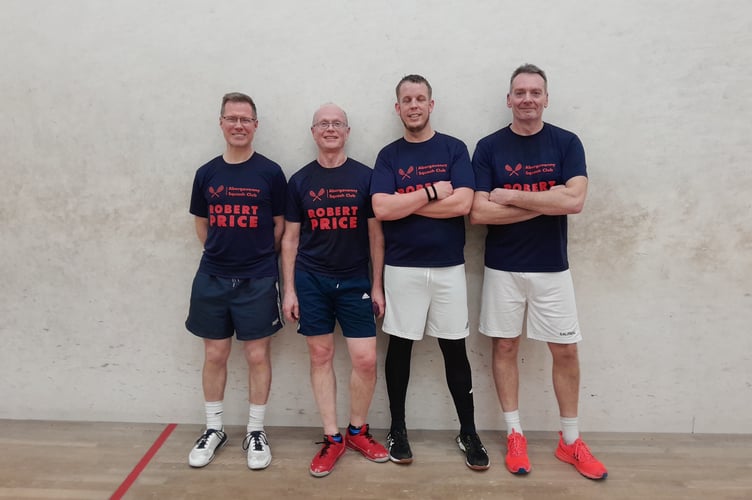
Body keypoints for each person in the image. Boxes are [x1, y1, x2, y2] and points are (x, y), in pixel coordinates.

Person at [469, 64, 608, 480]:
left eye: (535, 92)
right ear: (509, 100)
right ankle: (515, 434)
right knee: (506, 347)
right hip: (503, 268)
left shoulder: (566, 143)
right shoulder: (489, 147)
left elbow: (576, 202)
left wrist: (512, 196)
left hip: (553, 269)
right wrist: (550, 200)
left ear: (546, 98)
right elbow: (478, 212)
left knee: (565, 351)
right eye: (520, 92)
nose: (527, 99)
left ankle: (570, 442)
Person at [370, 75, 490, 471]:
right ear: (398, 107)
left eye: (420, 98)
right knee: (400, 348)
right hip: (401, 269)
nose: (414, 105)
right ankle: (397, 429)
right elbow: (382, 210)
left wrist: (406, 201)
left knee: (454, 348)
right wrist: (433, 192)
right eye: (406, 99)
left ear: (431, 104)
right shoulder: (388, 155)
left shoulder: (454, 148)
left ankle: (468, 431)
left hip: (448, 269)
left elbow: (464, 205)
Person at [281, 103, 389, 477]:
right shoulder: (299, 181)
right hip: (312, 282)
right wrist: (290, 290)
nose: (330, 128)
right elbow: (290, 239)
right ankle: (332, 437)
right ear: (313, 132)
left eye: (337, 123)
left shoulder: (366, 176)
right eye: (323, 123)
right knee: (321, 356)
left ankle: (357, 430)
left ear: (347, 130)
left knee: (365, 360)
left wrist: (377, 285)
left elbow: (377, 235)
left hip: (356, 281)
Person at [185, 92, 287, 471]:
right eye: (232, 118)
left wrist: (255, 257)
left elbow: (278, 227)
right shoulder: (206, 173)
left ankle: (255, 431)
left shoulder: (271, 173)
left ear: (255, 125)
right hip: (212, 276)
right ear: (222, 123)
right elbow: (201, 224)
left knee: (257, 355)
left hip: (258, 279)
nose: (239, 125)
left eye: (246, 119)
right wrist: (222, 255)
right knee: (215, 354)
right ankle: (214, 428)